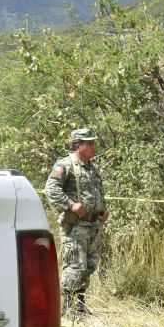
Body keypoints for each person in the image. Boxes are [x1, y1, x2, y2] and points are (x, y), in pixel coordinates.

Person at [45, 128, 107, 316]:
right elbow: (51, 189)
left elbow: (96, 192)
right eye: (89, 143)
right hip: (76, 226)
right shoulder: (65, 164)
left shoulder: (91, 167)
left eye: (93, 143)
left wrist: (103, 209)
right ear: (78, 145)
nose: (93, 146)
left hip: (92, 225)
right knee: (75, 266)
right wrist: (70, 205)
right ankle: (66, 308)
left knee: (89, 266)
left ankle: (79, 305)